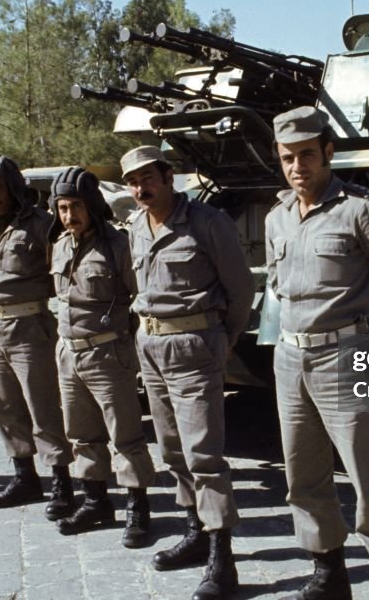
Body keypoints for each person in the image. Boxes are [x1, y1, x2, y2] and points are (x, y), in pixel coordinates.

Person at [266, 107, 369, 600]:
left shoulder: (360, 209)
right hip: (290, 360)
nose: (298, 167)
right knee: (304, 476)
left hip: (346, 355)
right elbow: (276, 284)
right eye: (288, 158)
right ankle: (328, 573)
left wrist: (367, 295)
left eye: (307, 156)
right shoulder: (277, 217)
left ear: (328, 154)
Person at [121, 145, 255, 600]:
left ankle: (223, 558)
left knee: (204, 456)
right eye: (133, 182)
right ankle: (195, 531)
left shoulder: (206, 222)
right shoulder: (136, 227)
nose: (141, 188)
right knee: (174, 451)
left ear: (168, 176)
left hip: (195, 346)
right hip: (151, 347)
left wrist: (221, 340)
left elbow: (241, 290)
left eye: (148, 178)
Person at [47, 166, 156, 547]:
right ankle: (95, 501)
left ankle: (137, 508)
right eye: (62, 207)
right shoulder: (60, 244)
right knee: (81, 433)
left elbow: (140, 298)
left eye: (75, 206)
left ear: (92, 206)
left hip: (108, 354)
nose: (69, 215)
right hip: (69, 353)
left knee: (125, 435)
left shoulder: (118, 246)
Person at [0, 155, 73, 515]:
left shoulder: (41, 225)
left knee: (41, 405)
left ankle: (62, 481)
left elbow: (61, 275)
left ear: (13, 187)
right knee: (5, 406)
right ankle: (25, 476)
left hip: (29, 324)